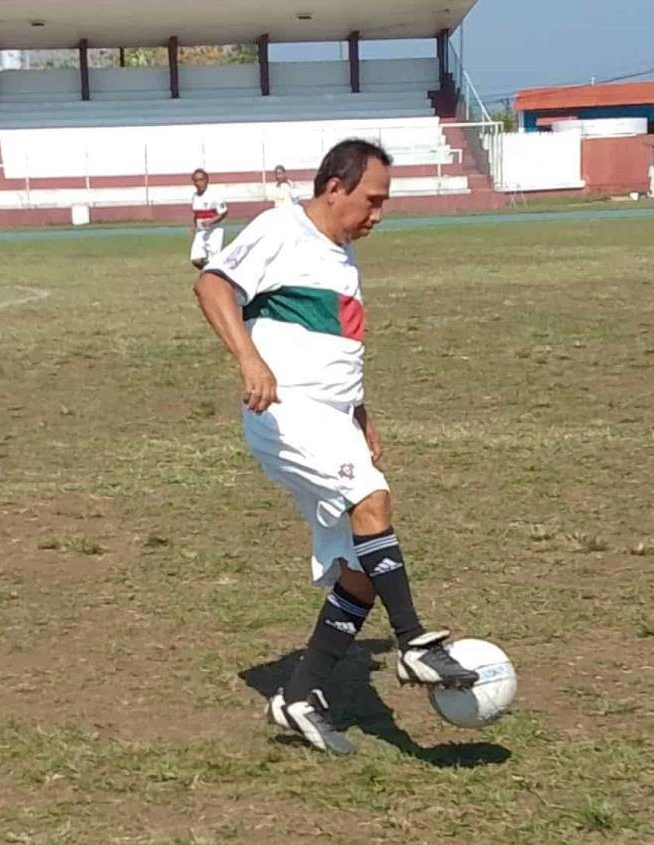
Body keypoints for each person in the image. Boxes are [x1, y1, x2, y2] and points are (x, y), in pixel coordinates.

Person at [192, 140, 477, 755]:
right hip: (285, 408)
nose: (379, 214)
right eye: (372, 200)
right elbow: (213, 286)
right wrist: (249, 360)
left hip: (333, 417)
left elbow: (336, 349)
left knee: (363, 573)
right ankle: (414, 642)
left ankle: (299, 694)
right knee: (373, 499)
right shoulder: (282, 228)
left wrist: (361, 413)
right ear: (334, 187)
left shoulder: (343, 257)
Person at [188, 169, 228, 270]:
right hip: (201, 232)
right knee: (195, 259)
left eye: (201, 180)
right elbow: (196, 214)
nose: (198, 183)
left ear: (206, 180)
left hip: (214, 231)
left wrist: (212, 221)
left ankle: (213, 276)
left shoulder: (215, 196)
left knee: (213, 260)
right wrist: (193, 225)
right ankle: (211, 272)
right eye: (196, 180)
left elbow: (224, 212)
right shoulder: (195, 196)